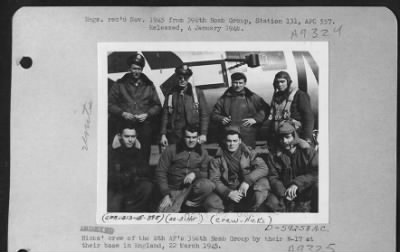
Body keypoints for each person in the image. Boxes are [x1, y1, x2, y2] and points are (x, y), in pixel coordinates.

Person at [108, 53, 162, 162]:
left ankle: (143, 176)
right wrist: (122, 113)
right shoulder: (120, 84)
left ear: (142, 69)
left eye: (139, 69)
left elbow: (157, 105)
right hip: (124, 125)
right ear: (129, 69)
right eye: (134, 69)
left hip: (143, 125)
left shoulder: (149, 85)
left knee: (144, 152)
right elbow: (109, 104)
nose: (136, 72)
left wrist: (147, 114)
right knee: (123, 155)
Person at [204, 126, 270, 212]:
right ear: (224, 141)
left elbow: (263, 168)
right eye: (229, 141)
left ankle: (251, 211)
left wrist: (247, 181)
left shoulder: (249, 153)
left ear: (240, 141)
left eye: (235, 141)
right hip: (228, 189)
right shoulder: (217, 158)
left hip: (246, 189)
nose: (232, 144)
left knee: (263, 184)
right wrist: (228, 193)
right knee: (210, 202)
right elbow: (214, 179)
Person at [155, 125, 215, 212]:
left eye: (194, 137)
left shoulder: (203, 152)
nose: (191, 140)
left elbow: (205, 173)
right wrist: (166, 194)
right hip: (174, 189)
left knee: (208, 185)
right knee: (165, 215)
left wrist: (195, 174)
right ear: (183, 137)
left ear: (198, 137)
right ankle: (180, 204)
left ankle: (191, 203)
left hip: (191, 189)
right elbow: (161, 172)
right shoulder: (171, 150)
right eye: (188, 137)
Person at [264, 121, 318, 212]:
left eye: (288, 137)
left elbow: (316, 172)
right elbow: (273, 177)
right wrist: (283, 192)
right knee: (271, 203)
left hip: (305, 190)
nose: (284, 141)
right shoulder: (273, 155)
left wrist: (296, 183)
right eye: (281, 138)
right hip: (283, 192)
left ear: (294, 136)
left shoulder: (307, 151)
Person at [211, 72, 268, 148]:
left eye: (240, 83)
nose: (238, 85)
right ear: (231, 83)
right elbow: (214, 114)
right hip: (229, 135)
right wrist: (221, 118)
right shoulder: (224, 98)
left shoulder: (251, 96)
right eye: (235, 83)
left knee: (247, 156)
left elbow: (265, 109)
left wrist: (256, 119)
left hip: (247, 135)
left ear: (245, 83)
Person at [107, 123, 154, 212]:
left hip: (133, 187)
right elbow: (108, 175)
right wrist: (125, 176)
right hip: (117, 188)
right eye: (127, 136)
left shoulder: (138, 150)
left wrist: (134, 173)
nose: (130, 140)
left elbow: (146, 171)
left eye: (133, 136)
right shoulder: (112, 151)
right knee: (113, 209)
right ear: (120, 136)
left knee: (148, 187)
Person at [160, 64, 209, 147]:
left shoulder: (197, 93)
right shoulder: (171, 94)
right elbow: (165, 116)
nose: (182, 80)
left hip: (192, 135)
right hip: (175, 135)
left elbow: (204, 115)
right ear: (176, 77)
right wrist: (163, 134)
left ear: (188, 78)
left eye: (185, 78)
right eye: (180, 78)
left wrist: (203, 133)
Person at [268, 71, 315, 145]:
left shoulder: (300, 95)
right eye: (277, 82)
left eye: (282, 82)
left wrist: (307, 137)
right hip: (279, 135)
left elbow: (308, 118)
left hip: (295, 135)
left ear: (288, 82)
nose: (279, 84)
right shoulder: (276, 97)